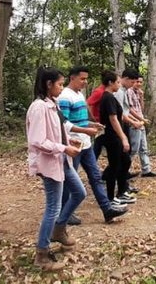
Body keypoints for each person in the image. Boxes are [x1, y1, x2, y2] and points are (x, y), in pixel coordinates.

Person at [27, 67, 86, 271]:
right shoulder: (38, 107)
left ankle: (59, 230)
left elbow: (56, 132)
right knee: (53, 206)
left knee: (79, 193)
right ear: (48, 84)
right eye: (59, 84)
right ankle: (41, 253)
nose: (62, 88)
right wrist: (63, 147)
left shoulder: (52, 104)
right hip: (50, 162)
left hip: (61, 160)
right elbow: (37, 140)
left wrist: (70, 141)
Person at [58, 66, 127, 225]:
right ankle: (65, 213)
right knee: (71, 179)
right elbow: (64, 123)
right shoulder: (64, 96)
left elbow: (79, 119)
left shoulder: (80, 95)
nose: (85, 82)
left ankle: (107, 210)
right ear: (72, 78)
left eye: (86, 79)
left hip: (86, 143)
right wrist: (85, 129)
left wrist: (92, 124)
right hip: (73, 144)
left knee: (95, 177)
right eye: (82, 79)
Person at [99, 71, 136, 205]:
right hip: (112, 136)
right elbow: (113, 119)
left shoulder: (111, 97)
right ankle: (110, 198)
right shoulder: (108, 97)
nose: (119, 85)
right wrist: (123, 138)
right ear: (110, 83)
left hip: (116, 136)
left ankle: (121, 192)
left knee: (125, 161)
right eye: (118, 82)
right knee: (114, 166)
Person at [114, 69, 145, 196]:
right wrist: (134, 122)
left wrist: (137, 120)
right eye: (132, 82)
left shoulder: (124, 91)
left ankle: (124, 186)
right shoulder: (119, 93)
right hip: (120, 127)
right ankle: (119, 189)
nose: (133, 85)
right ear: (124, 79)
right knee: (123, 159)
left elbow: (126, 111)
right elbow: (119, 114)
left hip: (125, 125)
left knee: (125, 159)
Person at [127, 75, 156, 177]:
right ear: (133, 82)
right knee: (133, 150)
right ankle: (125, 170)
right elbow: (130, 110)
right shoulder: (129, 92)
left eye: (141, 82)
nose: (139, 84)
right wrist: (141, 120)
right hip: (134, 123)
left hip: (141, 123)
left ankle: (146, 170)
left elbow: (141, 108)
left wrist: (142, 97)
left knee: (144, 148)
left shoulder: (137, 92)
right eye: (137, 82)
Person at [86, 82, 106, 159]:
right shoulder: (99, 92)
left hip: (103, 123)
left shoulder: (106, 92)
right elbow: (88, 103)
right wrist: (92, 117)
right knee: (98, 144)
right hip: (98, 123)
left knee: (99, 144)